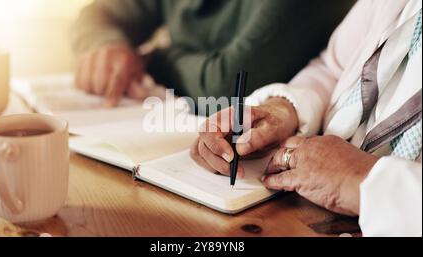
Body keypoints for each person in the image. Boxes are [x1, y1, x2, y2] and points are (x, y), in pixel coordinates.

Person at [191, 0, 422, 236]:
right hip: (305, 207)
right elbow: (331, 68)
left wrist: (365, 181)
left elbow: (219, 81)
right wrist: (284, 110)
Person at [71, 0, 354, 114]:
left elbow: (229, 86)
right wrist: (108, 45)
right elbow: (98, 15)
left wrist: (151, 60)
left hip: (268, 159)